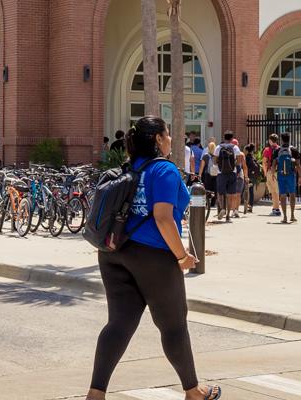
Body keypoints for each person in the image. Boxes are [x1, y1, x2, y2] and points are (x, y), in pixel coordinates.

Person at [86, 116, 219, 400]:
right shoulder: (164, 170)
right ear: (158, 139)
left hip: (113, 252)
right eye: (167, 134)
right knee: (173, 324)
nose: (171, 139)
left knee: (119, 324)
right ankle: (193, 390)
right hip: (153, 256)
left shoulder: (128, 168)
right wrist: (182, 256)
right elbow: (163, 218)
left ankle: (95, 393)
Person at [210, 132, 247, 222]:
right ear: (231, 139)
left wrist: (219, 165)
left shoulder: (219, 147)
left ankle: (222, 207)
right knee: (230, 194)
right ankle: (228, 216)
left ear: (224, 137)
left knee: (220, 192)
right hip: (232, 173)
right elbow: (238, 161)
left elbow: (214, 161)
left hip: (221, 173)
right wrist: (234, 167)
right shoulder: (235, 147)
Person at [262, 136, 282, 217]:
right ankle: (275, 208)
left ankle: (276, 209)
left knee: (274, 191)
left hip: (271, 171)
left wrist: (265, 172)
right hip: (279, 172)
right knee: (276, 191)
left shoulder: (267, 150)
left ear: (270, 140)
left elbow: (264, 162)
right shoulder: (280, 149)